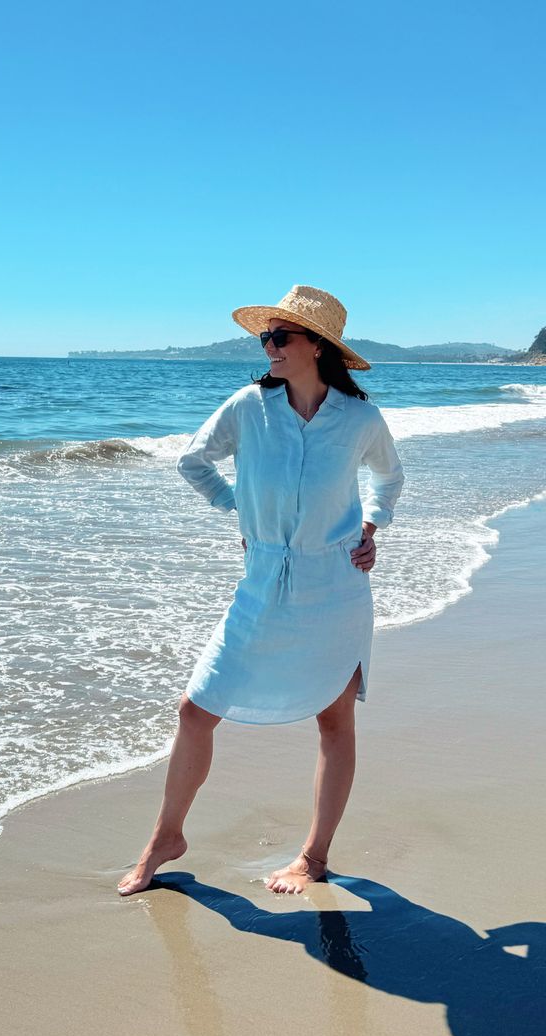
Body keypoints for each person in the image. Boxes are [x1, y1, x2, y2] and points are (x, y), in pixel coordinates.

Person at [118, 285, 405, 897]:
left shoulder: (359, 419)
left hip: (336, 585)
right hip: (261, 583)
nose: (268, 346)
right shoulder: (250, 406)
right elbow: (193, 461)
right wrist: (238, 512)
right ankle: (166, 838)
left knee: (334, 720)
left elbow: (389, 473)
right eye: (265, 337)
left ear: (318, 347)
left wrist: (372, 525)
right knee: (197, 708)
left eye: (281, 336)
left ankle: (314, 856)